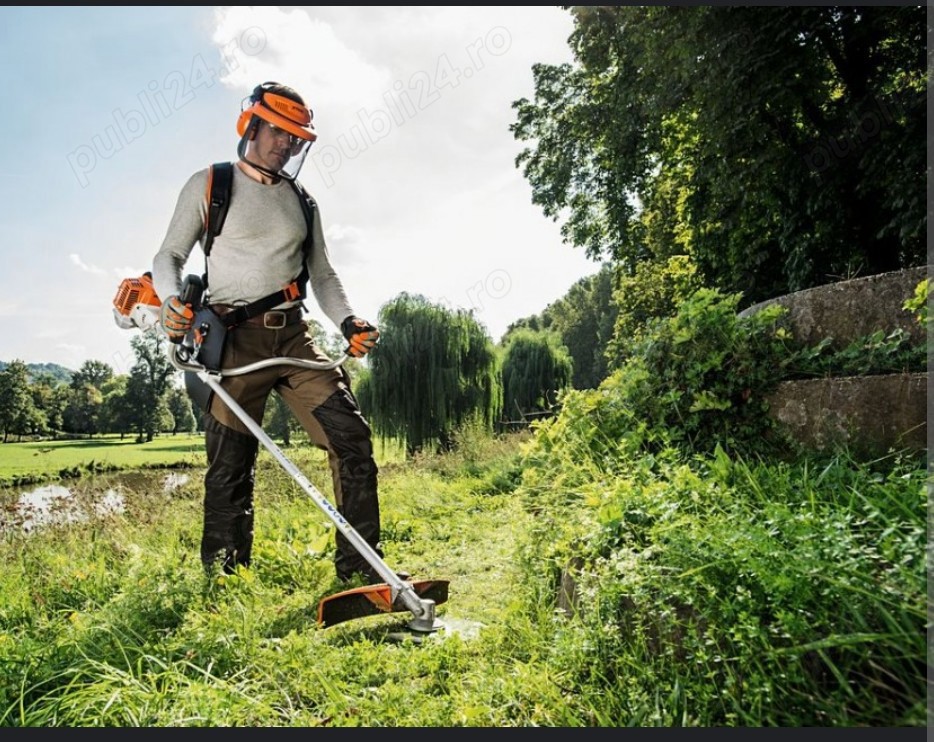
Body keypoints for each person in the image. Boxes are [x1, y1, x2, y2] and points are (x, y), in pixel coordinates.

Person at [152, 81, 405, 585]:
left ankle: (361, 570)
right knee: (230, 463)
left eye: (296, 138)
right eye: (279, 132)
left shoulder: (302, 202)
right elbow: (169, 257)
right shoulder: (211, 185)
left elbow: (325, 275)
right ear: (251, 125)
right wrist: (170, 301)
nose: (287, 145)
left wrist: (349, 320)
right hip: (232, 338)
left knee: (350, 439)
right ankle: (225, 580)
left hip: (294, 339)